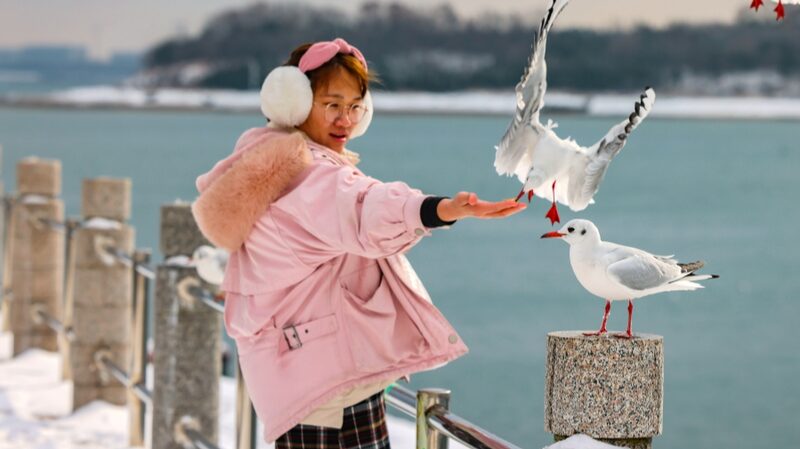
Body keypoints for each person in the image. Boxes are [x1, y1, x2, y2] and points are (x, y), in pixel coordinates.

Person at [191, 38, 526, 449]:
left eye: (355, 107)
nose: (345, 119)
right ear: (295, 105)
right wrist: (438, 210)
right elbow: (363, 207)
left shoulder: (276, 163)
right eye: (331, 104)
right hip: (323, 385)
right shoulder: (306, 176)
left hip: (315, 373)